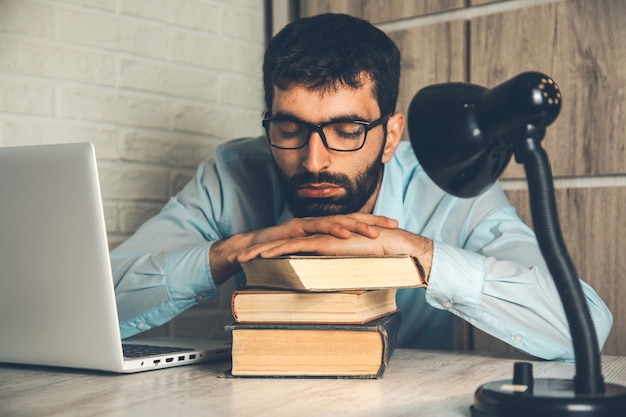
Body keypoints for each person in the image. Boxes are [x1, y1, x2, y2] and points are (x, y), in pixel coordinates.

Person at [111, 13, 612, 360]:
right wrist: (236, 249)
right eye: (289, 129)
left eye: (347, 131)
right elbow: (98, 301)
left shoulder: (447, 188)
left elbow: (585, 326)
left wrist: (416, 253)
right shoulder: (233, 171)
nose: (314, 159)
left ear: (391, 135)